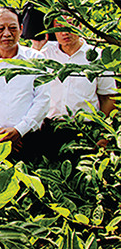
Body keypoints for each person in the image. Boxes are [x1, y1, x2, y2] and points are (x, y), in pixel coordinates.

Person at [0, 7, 50, 158]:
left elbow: (43, 99)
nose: (7, 34)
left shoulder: (36, 59)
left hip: (29, 140)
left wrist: (19, 130)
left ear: (21, 29)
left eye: (12, 28)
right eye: (0, 28)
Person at [38, 17, 116, 153]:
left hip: (86, 129)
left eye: (70, 24)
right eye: (59, 26)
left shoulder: (97, 57)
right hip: (51, 128)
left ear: (80, 25)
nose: (64, 32)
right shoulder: (45, 56)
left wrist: (104, 133)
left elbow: (108, 98)